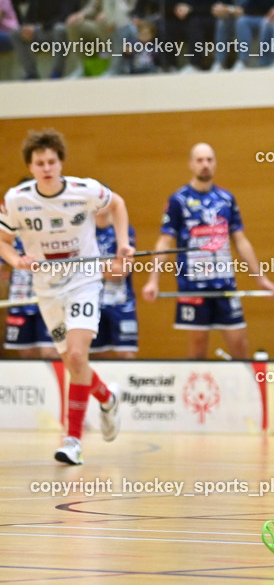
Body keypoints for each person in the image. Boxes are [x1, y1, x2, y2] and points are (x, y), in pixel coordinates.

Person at [0, 129, 130, 465]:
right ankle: (106, 398)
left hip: (84, 281)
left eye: (51, 161)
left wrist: (122, 246)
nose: (46, 168)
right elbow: (3, 240)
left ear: (61, 163)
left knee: (75, 355)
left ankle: (73, 440)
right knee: (74, 362)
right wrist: (17, 260)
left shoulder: (83, 190)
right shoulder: (16, 199)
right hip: (46, 289)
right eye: (39, 163)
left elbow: (117, 203)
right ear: (30, 167)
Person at [141, 143, 274, 359]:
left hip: (224, 283)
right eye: (200, 160)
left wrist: (260, 278)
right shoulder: (178, 200)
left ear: (215, 164)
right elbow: (165, 242)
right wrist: (153, 280)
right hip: (193, 286)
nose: (205, 165)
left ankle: (247, 391)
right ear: (191, 164)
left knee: (239, 342)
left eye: (209, 160)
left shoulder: (226, 199)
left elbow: (241, 241)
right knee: (197, 345)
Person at [90, 206, 139, 358]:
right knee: (98, 354)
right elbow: (76, 269)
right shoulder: (84, 233)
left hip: (122, 302)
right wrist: (109, 264)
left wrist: (91, 267)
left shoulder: (123, 232)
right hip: (92, 302)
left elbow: (121, 271)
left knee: (126, 353)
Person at [3, 236, 59, 359]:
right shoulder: (10, 239)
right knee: (25, 352)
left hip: (49, 301)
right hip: (19, 301)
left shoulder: (48, 235)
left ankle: (56, 378)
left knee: (49, 351)